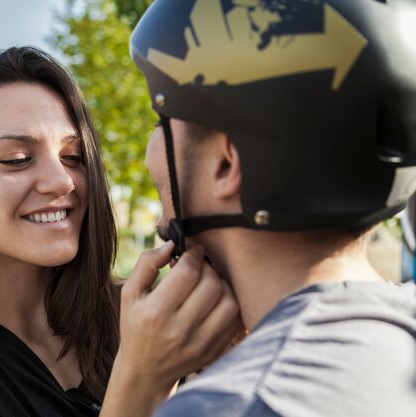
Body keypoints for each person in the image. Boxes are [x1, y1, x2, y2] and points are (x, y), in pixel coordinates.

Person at [0, 46, 242, 417]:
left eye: (73, 156)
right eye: (16, 159)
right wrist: (142, 378)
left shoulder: (141, 319)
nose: (62, 182)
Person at [128, 0, 416, 416]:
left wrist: (138, 381)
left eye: (161, 121)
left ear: (226, 163)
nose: (148, 151)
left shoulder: (235, 403)